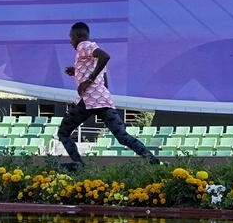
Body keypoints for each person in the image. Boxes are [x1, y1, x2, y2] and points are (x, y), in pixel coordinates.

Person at [58, 21, 158, 170]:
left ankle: (79, 165)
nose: (70, 41)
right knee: (122, 136)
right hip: (102, 99)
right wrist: (77, 71)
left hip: (88, 100)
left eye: (71, 37)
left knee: (63, 133)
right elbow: (103, 81)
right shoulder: (93, 58)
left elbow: (105, 56)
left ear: (78, 36)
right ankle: (151, 159)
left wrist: (88, 80)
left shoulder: (83, 45)